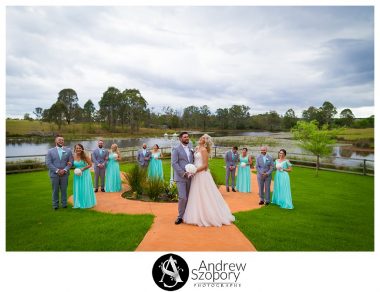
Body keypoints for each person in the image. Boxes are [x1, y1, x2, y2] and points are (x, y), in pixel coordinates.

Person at [183, 134, 235, 227]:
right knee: (196, 194)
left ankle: (209, 216)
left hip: (202, 175)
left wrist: (194, 171)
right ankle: (197, 215)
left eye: (203, 138)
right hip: (196, 175)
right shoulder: (197, 148)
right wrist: (192, 169)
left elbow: (205, 165)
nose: (200, 138)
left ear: (206, 141)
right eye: (201, 137)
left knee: (204, 194)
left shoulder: (204, 150)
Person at [45, 135, 73, 210]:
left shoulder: (68, 151)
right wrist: (57, 170)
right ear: (56, 141)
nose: (61, 141)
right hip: (54, 174)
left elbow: (71, 162)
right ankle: (55, 205)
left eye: (62, 140)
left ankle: (64, 204)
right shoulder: (50, 151)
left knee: (64, 190)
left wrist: (65, 170)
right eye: (59, 140)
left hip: (65, 174)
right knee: (55, 190)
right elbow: (48, 163)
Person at [171, 132, 194, 225]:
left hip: (191, 177)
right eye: (185, 137)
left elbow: (192, 161)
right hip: (181, 177)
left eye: (188, 137)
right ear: (180, 139)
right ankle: (180, 217)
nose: (187, 138)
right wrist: (184, 173)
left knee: (189, 197)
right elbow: (174, 163)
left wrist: (193, 171)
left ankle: (187, 215)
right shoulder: (176, 150)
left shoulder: (191, 149)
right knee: (183, 197)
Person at [72, 144, 96, 208]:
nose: (78, 149)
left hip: (85, 174)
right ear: (75, 149)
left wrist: (83, 169)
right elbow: (72, 165)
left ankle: (86, 203)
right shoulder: (73, 156)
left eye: (79, 148)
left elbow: (90, 164)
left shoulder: (85, 156)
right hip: (77, 175)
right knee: (78, 188)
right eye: (77, 148)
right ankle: (78, 203)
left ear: (82, 149)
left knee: (85, 188)